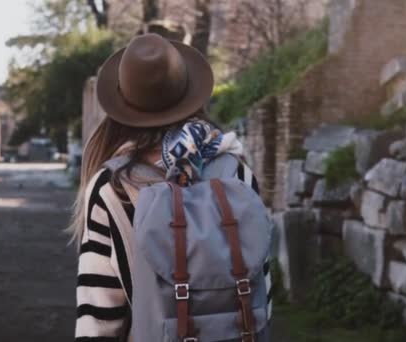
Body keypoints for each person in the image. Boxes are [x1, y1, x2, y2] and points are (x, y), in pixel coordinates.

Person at [70, 33, 270, 341]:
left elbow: (99, 318)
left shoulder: (112, 188)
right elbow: (261, 293)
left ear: (123, 105)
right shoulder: (238, 173)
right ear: (189, 93)